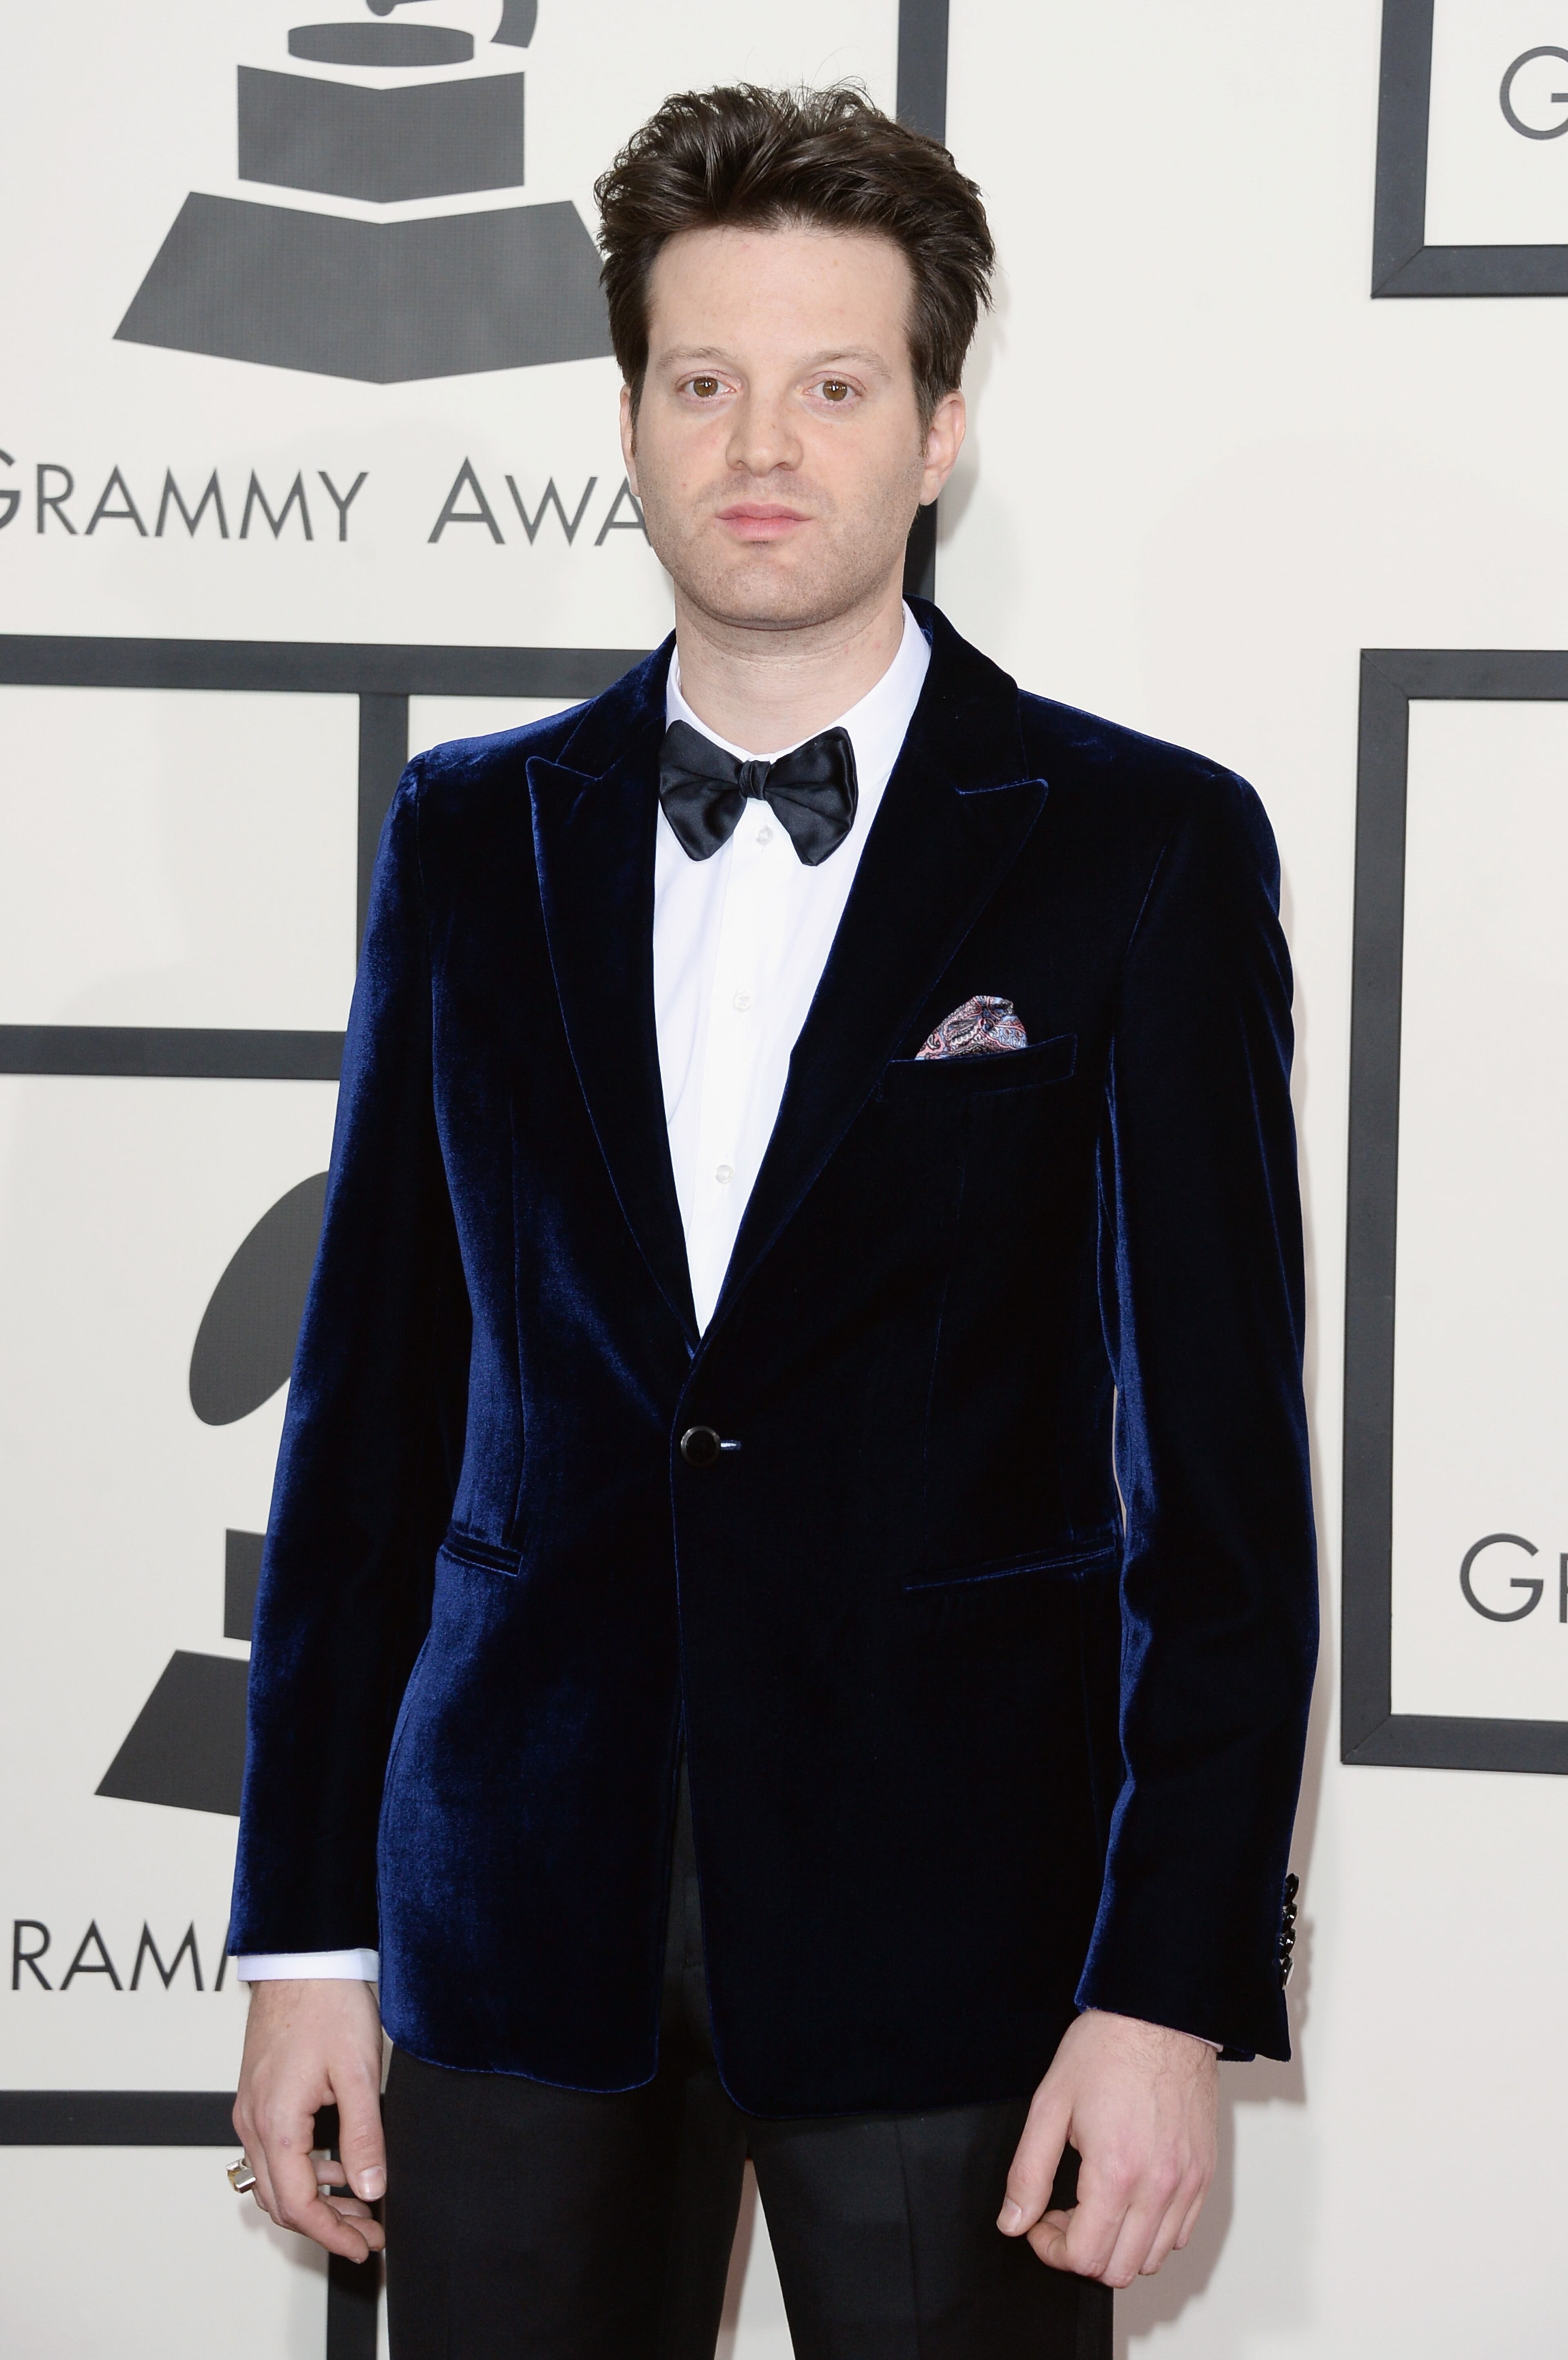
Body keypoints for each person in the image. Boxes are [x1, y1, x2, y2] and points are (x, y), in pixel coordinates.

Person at [225, 82, 1317, 2360]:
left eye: (836, 385)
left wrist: (1163, 1990)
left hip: (968, 1958)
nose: (764, 441)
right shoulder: (468, 840)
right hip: (512, 1935)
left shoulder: (1140, 852)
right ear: (629, 416)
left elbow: (1224, 1494)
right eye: (703, 379)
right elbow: (368, 1435)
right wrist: (311, 1937)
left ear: (938, 432)